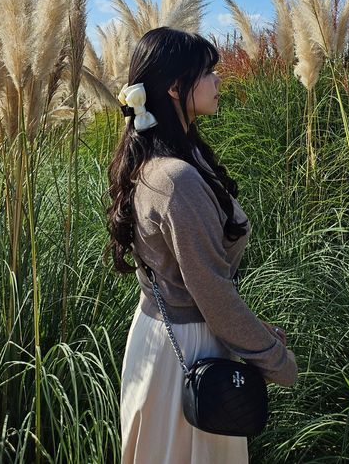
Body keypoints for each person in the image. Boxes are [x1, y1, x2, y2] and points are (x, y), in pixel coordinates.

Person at [107, 26, 298, 464]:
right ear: (175, 88)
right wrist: (274, 358)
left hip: (163, 339)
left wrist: (252, 332)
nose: (218, 80)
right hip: (188, 352)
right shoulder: (176, 179)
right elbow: (210, 290)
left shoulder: (164, 159)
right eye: (208, 72)